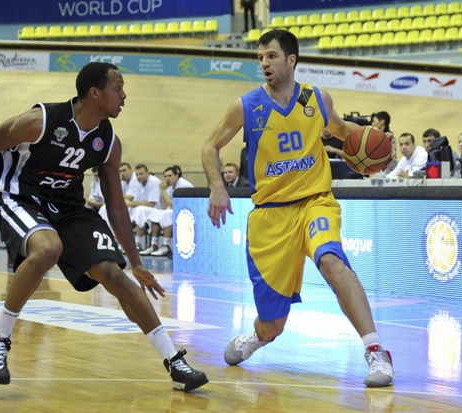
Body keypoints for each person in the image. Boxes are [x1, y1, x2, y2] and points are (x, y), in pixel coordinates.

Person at [0, 62, 208, 392]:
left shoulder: (108, 141)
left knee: (114, 274)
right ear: (95, 93)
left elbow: (116, 204)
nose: (124, 96)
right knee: (49, 248)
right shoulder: (40, 121)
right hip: (20, 198)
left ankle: (173, 361)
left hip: (67, 207)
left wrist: (136, 262)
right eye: (118, 88)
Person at [201, 29, 394, 387]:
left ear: (291, 60)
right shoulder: (246, 105)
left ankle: (376, 350)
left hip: (314, 201)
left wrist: (377, 143)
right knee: (273, 324)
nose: (264, 63)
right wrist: (217, 187)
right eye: (260, 57)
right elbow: (210, 146)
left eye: (271, 56)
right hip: (270, 215)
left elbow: (342, 130)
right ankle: (260, 334)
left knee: (331, 261)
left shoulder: (316, 98)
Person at [140, 166, 194, 257]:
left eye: (170, 175)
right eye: (165, 176)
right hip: (177, 210)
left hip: (188, 212)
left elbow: (172, 206)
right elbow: (163, 206)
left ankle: (167, 245)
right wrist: (162, 191)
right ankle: (154, 244)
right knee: (156, 213)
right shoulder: (170, 186)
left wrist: (163, 190)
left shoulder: (183, 185)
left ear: (177, 175)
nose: (167, 178)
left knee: (167, 214)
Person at [129, 164, 162, 250]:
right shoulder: (139, 183)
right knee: (128, 209)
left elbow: (151, 204)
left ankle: (138, 242)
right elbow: (136, 201)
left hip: (158, 209)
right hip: (146, 209)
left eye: (141, 174)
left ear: (147, 173)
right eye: (137, 174)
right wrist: (131, 204)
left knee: (140, 210)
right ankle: (122, 241)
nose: (139, 176)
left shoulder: (154, 181)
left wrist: (132, 204)